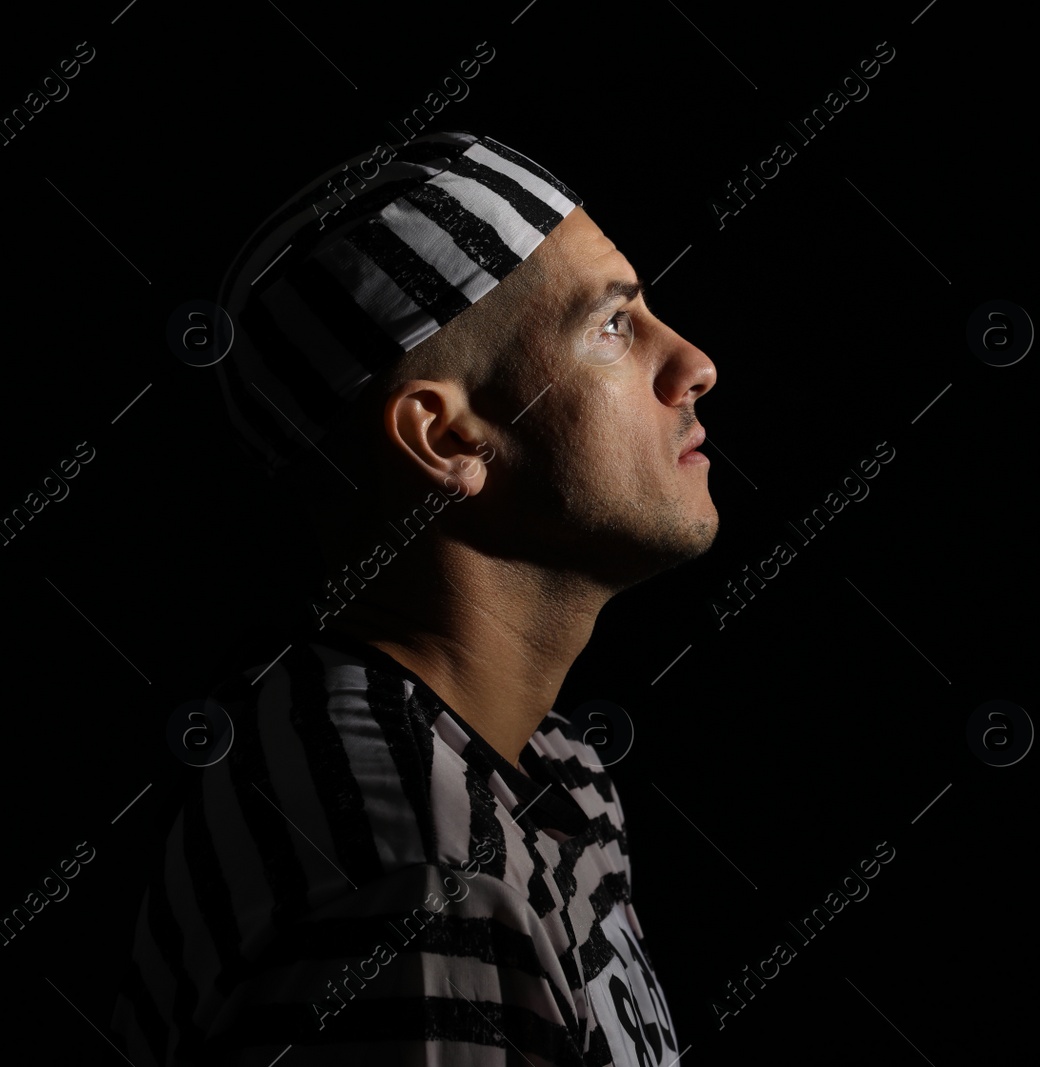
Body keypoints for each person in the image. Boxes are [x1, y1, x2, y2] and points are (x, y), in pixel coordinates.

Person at [109, 130, 715, 1066]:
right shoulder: (419, 871)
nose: (694, 364)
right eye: (611, 327)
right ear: (445, 438)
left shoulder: (548, 764)